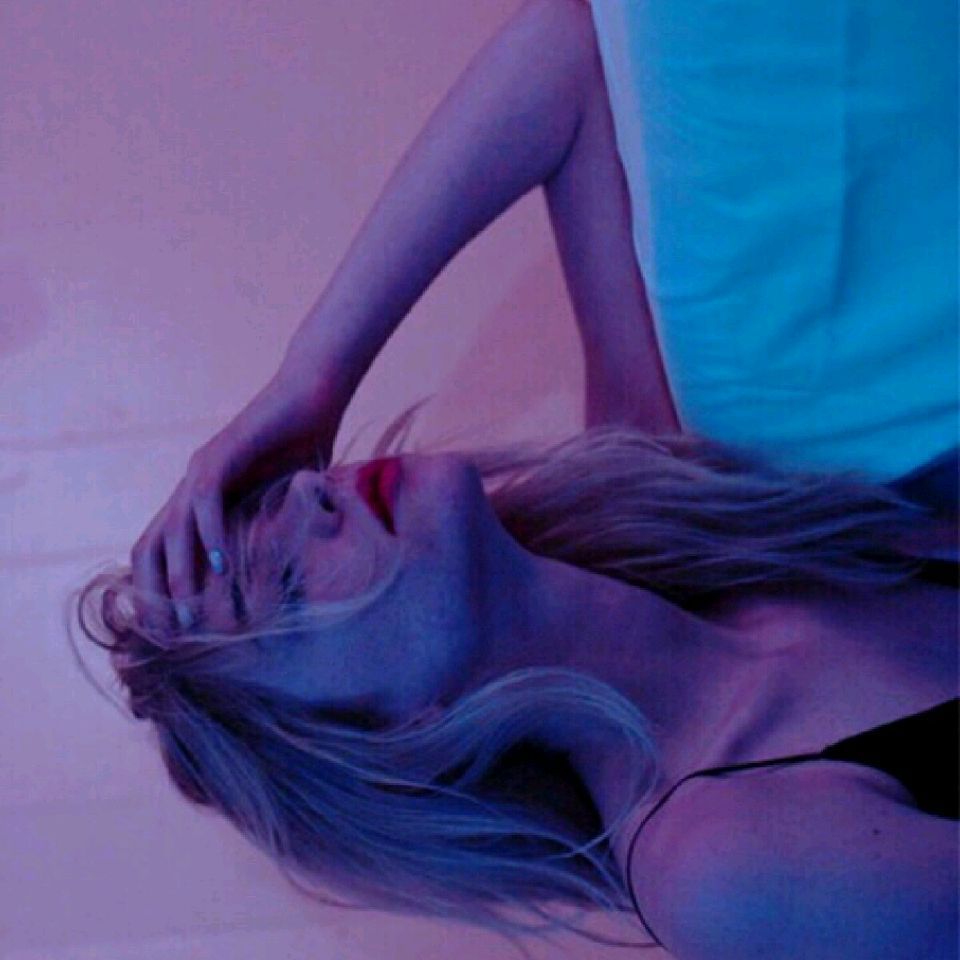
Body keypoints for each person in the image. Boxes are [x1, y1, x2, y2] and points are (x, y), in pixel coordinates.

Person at [69, 0, 959, 954]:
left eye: (270, 504)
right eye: (282, 585)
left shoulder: (681, 506)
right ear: (391, 737)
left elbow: (572, 54)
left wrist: (310, 378)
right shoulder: (724, 865)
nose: (307, 492)